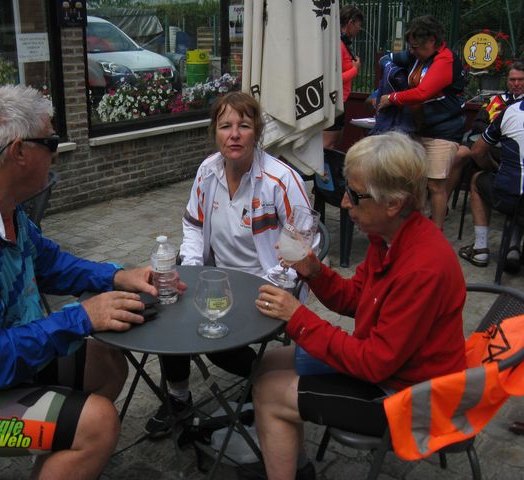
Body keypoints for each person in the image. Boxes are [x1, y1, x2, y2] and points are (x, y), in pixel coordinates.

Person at [0, 84, 184, 478]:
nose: (56, 152)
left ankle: (59, 458)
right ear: (19, 152)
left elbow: (48, 262)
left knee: (108, 363)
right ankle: (76, 442)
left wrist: (117, 275)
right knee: (98, 423)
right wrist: (82, 317)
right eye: (52, 141)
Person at [251, 132, 467, 480]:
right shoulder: (390, 237)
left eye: (354, 193)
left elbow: (373, 363)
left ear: (393, 203)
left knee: (269, 392)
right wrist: (316, 273)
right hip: (393, 371)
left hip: (412, 398)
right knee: (270, 362)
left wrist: (297, 317)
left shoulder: (422, 266)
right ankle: (292, 462)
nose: (345, 202)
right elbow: (355, 299)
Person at [144, 91, 312, 438]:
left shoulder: (281, 181)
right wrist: (189, 267)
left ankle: (261, 380)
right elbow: (193, 224)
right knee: (168, 306)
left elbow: (304, 244)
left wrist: (277, 280)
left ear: (257, 132)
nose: (234, 134)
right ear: (214, 133)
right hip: (217, 279)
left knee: (215, 340)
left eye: (244, 126)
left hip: (268, 283)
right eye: (225, 126)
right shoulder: (208, 171)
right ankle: (178, 397)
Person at [377, 15, 466, 230]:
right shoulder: (417, 56)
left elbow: (423, 92)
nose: (413, 51)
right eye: (411, 47)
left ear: (432, 41)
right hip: (417, 127)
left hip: (443, 131)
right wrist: (390, 69)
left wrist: (392, 98)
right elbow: (385, 59)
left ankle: (436, 232)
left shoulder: (446, 59)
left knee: (435, 184)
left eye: (417, 46)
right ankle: (414, 227)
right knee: (414, 182)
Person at [450, 62, 524, 271]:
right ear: (507, 81)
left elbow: (479, 146)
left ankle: (484, 248)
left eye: (520, 80)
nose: (516, 84)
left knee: (497, 183)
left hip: (505, 175)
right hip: (496, 157)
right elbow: (478, 125)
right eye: (513, 80)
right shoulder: (497, 101)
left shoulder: (510, 112)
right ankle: (513, 246)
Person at [323, 5, 363, 149]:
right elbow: (333, 79)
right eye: (359, 25)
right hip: (333, 100)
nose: (359, 29)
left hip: (340, 100)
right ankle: (323, 172)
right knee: (328, 143)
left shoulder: (343, 43)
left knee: (335, 140)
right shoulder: (338, 45)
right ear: (351, 23)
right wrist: (355, 69)